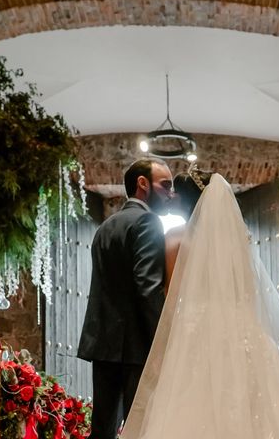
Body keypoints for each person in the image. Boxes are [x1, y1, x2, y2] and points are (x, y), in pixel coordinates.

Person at [121, 170, 279, 439]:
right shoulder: (237, 239)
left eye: (175, 194)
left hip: (197, 330)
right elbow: (248, 291)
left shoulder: (176, 238)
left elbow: (170, 295)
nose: (171, 197)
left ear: (188, 200)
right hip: (241, 327)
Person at [78, 158, 173, 439]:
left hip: (103, 345)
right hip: (134, 347)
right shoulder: (148, 222)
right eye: (165, 185)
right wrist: (163, 340)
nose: (170, 193)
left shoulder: (106, 226)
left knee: (102, 430)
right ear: (142, 184)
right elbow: (148, 287)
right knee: (139, 428)